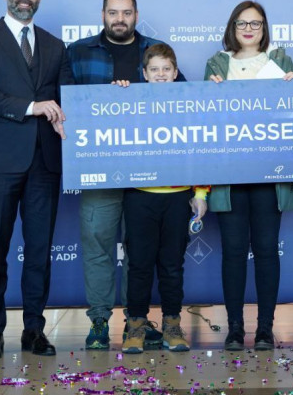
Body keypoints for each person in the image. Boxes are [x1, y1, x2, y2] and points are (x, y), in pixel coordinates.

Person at [0, 0, 74, 361]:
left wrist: (112, 98)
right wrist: (32, 107)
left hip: (44, 162)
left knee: (39, 250)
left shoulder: (55, 45)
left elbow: (69, 99)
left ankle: (34, 330)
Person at [66, 0, 185, 350]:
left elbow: (183, 103)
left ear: (136, 15)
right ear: (103, 14)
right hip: (99, 169)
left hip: (148, 176)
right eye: (113, 12)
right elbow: (67, 106)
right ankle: (99, 321)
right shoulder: (78, 52)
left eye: (127, 12)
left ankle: (138, 322)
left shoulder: (156, 52)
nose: (120, 19)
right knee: (98, 244)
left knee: (141, 255)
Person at [204, 0, 293, 351]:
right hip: (229, 176)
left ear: (264, 28)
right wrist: (207, 94)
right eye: (242, 23)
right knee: (232, 252)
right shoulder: (216, 64)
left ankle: (264, 328)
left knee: (266, 251)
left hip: (270, 176)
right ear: (232, 27)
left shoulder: (281, 62)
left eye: (255, 23)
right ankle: (234, 328)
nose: (248, 29)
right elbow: (203, 120)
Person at [121, 43, 209, 353]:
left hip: (177, 196)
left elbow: (201, 149)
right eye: (154, 69)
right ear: (144, 74)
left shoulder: (189, 106)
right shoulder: (128, 104)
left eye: (166, 69)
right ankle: (135, 326)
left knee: (172, 265)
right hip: (139, 196)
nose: (160, 75)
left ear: (175, 73)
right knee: (139, 265)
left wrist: (200, 193)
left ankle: (172, 325)